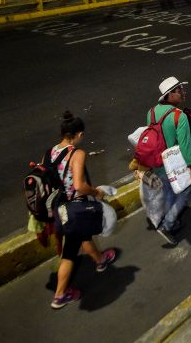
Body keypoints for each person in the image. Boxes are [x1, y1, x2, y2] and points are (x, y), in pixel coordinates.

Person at [50, 110, 117, 309]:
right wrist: (96, 192)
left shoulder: (51, 152)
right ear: (78, 134)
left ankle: (100, 260)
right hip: (74, 208)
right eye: (82, 134)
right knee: (70, 251)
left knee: (80, 237)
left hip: (58, 207)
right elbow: (79, 185)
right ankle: (60, 295)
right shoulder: (77, 154)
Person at [148, 76, 191, 245]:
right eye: (179, 90)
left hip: (156, 163)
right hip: (173, 165)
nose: (183, 93)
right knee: (185, 192)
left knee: (169, 192)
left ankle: (172, 221)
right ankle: (167, 224)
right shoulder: (180, 117)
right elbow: (185, 147)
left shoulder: (151, 112)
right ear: (169, 95)